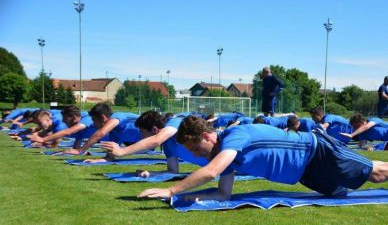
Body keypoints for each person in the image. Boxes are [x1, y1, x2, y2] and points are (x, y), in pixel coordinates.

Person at [138, 115, 388, 201]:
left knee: (376, 174)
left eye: (194, 148)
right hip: (305, 174)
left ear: (206, 136)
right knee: (338, 194)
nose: (194, 155)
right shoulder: (226, 157)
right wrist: (187, 196)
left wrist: (171, 190)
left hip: (318, 153)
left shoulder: (234, 136)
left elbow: (211, 172)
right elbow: (223, 194)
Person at [101, 110, 208, 177]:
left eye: (142, 132)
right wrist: (151, 173)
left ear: (154, 129)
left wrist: (122, 151)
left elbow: (156, 140)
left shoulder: (176, 122)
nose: (141, 137)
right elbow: (173, 171)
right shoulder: (167, 146)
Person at [73, 103, 141, 162]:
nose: (93, 124)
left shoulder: (117, 117)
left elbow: (101, 133)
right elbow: (109, 158)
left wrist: (80, 150)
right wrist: (96, 161)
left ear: (103, 117)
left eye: (94, 120)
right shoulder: (113, 134)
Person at [27, 105, 101, 153]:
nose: (63, 121)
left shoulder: (86, 120)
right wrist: (69, 151)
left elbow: (68, 132)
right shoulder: (79, 127)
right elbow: (76, 146)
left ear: (74, 118)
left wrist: (43, 140)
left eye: (65, 118)